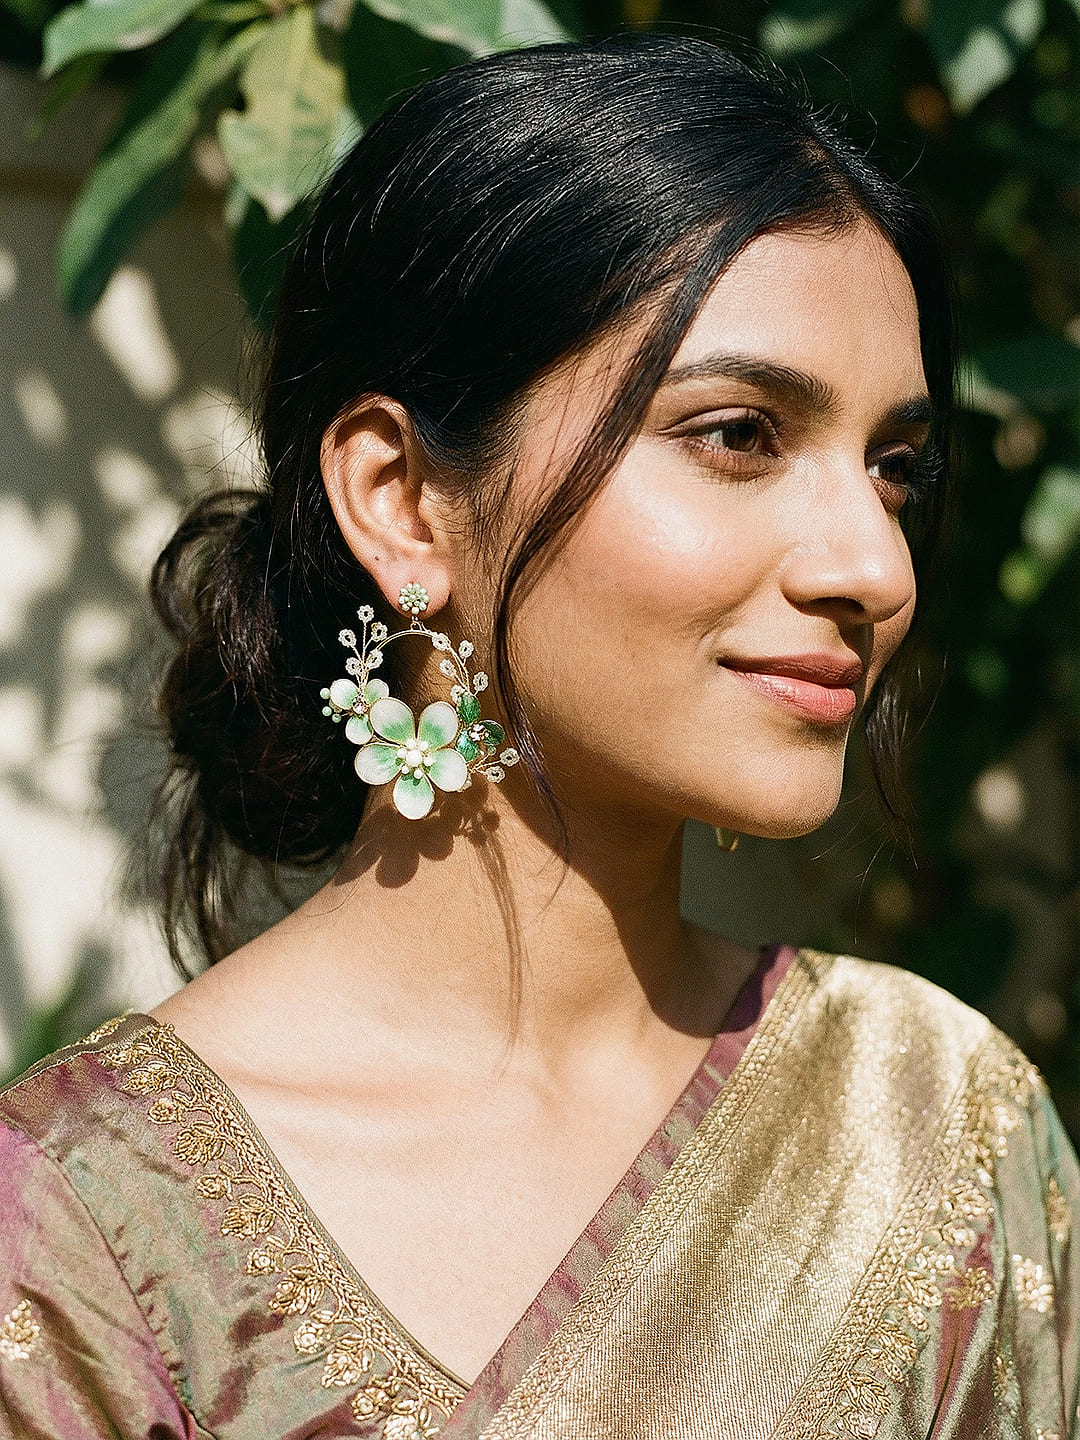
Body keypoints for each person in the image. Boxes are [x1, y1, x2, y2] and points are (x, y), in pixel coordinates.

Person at [1, 31, 1076, 1440]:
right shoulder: (92, 1234)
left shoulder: (936, 1124)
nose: (874, 566)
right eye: (743, 434)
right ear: (397, 496)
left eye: (896, 467)